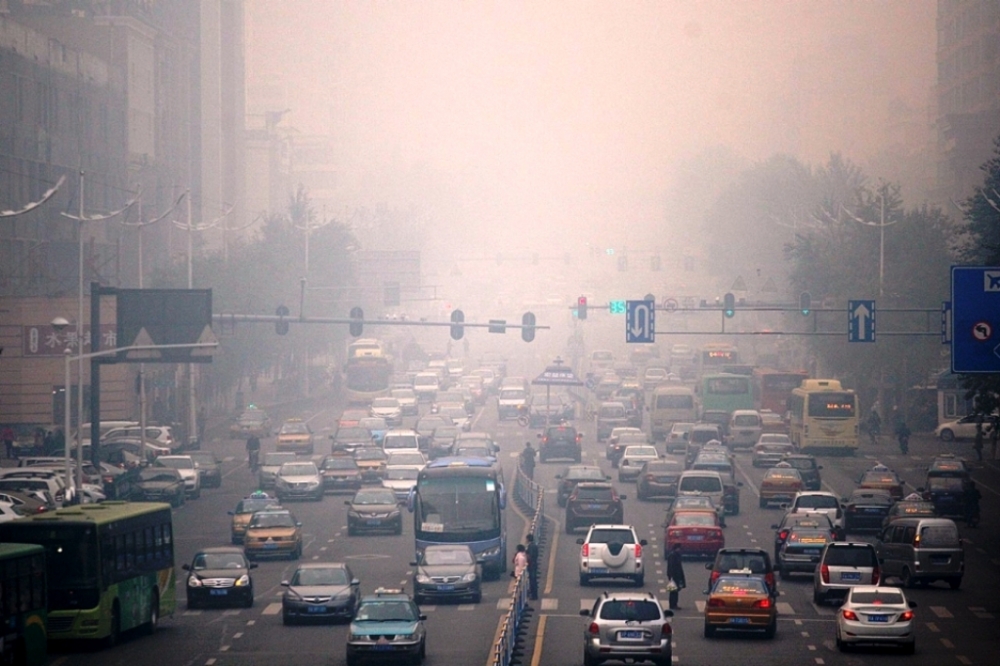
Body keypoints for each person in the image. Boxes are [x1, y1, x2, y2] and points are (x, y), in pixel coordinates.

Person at [666, 543, 686, 610]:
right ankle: (673, 604)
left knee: (675, 590)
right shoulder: (673, 556)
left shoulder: (677, 555)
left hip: (677, 575)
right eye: (679, 548)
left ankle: (674, 604)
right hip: (674, 575)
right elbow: (671, 567)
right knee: (673, 591)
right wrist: (671, 576)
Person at [525, 533, 539, 600]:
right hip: (534, 564)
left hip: (532, 565)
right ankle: (534, 594)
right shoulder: (535, 545)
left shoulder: (531, 546)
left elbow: (530, 556)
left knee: (532, 580)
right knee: (534, 580)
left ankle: (534, 595)